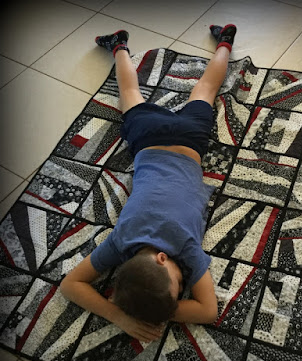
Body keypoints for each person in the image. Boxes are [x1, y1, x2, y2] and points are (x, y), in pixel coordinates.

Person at [60, 24, 237, 342]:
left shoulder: (185, 247)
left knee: (205, 89)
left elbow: (207, 310)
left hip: (189, 142)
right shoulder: (121, 241)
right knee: (131, 93)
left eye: (178, 285)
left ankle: (225, 42)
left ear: (162, 259)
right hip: (148, 137)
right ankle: (120, 46)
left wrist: (123, 316)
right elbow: (71, 284)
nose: (183, 286)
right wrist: (129, 309)